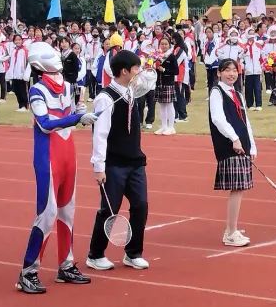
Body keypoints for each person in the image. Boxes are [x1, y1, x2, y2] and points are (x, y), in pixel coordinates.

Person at [16, 42, 98, 293]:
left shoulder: (68, 85)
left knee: (67, 212)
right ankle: (28, 271)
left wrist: (81, 110)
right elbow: (44, 123)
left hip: (68, 155)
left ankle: (66, 264)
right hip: (48, 156)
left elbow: (74, 109)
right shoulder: (37, 90)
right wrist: (77, 117)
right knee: (47, 213)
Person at [86, 50, 158, 272]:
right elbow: (100, 134)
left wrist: (151, 64)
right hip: (114, 163)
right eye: (135, 68)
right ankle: (95, 254)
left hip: (135, 161)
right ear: (124, 71)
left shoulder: (131, 91)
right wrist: (99, 167)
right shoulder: (105, 98)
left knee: (140, 206)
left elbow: (150, 80)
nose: (139, 72)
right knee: (109, 209)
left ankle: (133, 253)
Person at [209, 59, 256, 247]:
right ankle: (230, 232)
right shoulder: (216, 92)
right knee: (237, 189)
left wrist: (252, 145)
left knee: (240, 188)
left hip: (242, 145)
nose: (231, 74)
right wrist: (234, 139)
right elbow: (218, 119)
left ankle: (232, 226)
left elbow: (246, 121)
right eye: (227, 70)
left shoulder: (237, 93)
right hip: (229, 146)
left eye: (234, 70)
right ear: (219, 73)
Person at [153, 37, 179, 136]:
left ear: (169, 45)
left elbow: (176, 71)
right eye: (162, 44)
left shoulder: (171, 56)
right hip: (159, 83)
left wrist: (164, 70)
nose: (163, 46)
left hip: (168, 83)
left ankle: (171, 127)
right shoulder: (157, 56)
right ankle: (163, 126)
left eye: (166, 44)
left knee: (169, 105)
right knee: (161, 105)